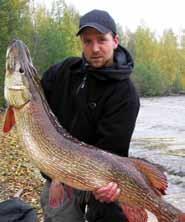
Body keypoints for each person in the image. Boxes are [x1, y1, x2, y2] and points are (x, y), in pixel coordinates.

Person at [40, 9, 140, 222]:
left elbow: (112, 150)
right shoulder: (66, 70)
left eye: (101, 40)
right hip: (60, 175)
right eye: (87, 41)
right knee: (58, 215)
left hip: (100, 177)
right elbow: (35, 98)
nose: (94, 49)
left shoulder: (126, 94)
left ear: (115, 40)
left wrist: (109, 186)